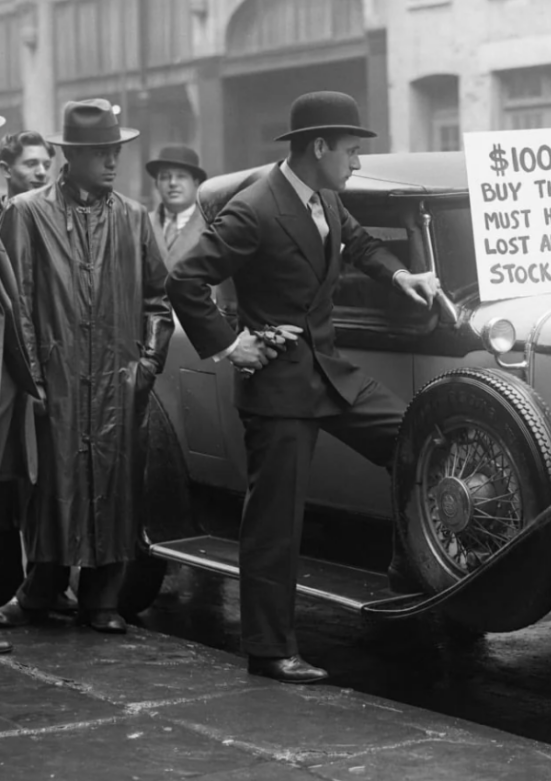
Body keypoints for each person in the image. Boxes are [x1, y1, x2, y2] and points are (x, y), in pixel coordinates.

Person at [166, 91, 439, 685]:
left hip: (331, 374)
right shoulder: (256, 208)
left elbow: (359, 244)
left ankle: (407, 570)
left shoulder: (325, 197)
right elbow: (185, 277)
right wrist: (229, 344)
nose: (357, 163)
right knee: (274, 523)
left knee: (418, 443)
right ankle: (269, 651)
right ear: (319, 147)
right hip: (278, 387)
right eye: (351, 151)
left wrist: (403, 274)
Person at [0, 99, 173, 636]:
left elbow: (159, 299)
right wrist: (33, 378)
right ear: (67, 156)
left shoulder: (133, 216)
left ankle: (103, 600)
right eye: (100, 152)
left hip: (117, 378)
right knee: (54, 487)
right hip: (55, 375)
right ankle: (41, 588)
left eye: (115, 151)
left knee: (116, 489)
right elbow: (17, 301)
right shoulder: (27, 212)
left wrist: (146, 363)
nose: (112, 161)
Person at [0, 129, 70, 613]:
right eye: (30, 164)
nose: (40, 172)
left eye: (46, 163)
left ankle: (37, 584)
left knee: (27, 482)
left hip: (29, 372)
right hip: (17, 371)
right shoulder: (15, 218)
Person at [147, 145, 207, 267]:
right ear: (156, 184)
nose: (173, 183)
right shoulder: (141, 224)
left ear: (196, 182)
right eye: (165, 177)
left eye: (181, 176)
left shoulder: (213, 227)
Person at [0, 131, 55, 205]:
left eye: (46, 166)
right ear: (6, 170)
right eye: (31, 164)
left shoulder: (57, 214)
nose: (42, 172)